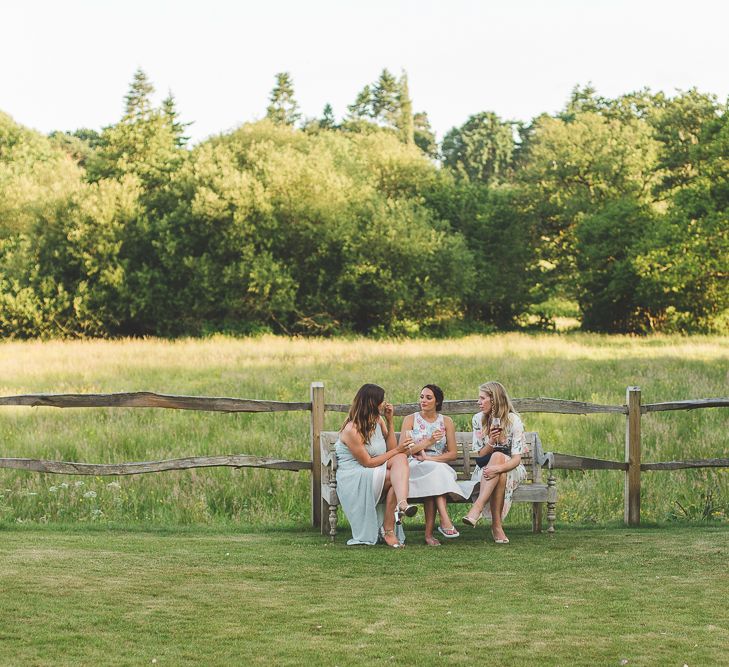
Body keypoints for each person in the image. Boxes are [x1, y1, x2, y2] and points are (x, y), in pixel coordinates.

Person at [335, 383, 418, 547]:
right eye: (381, 400)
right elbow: (367, 462)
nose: (384, 403)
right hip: (356, 475)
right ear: (372, 403)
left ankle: (401, 505)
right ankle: (389, 529)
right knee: (396, 476)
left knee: (400, 461)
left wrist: (390, 420)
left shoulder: (378, 420)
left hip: (375, 470)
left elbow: (392, 449)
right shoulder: (351, 429)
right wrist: (398, 451)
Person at [459, 381, 527, 544]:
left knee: (499, 462)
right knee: (497, 462)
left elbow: (516, 459)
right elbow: (481, 455)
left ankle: (477, 509)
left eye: (482, 398)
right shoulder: (478, 419)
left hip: (512, 468)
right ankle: (497, 526)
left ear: (494, 400)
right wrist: (491, 440)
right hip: (486, 468)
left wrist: (498, 467)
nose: (478, 402)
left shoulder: (513, 421)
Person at [400, 384, 467, 546]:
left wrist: (431, 460)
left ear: (437, 401)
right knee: (435, 476)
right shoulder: (410, 420)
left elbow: (452, 453)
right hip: (414, 465)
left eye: (428, 398)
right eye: (422, 397)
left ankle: (431, 533)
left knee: (435, 476)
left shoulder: (446, 422)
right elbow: (403, 450)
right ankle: (444, 521)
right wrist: (429, 441)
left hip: (436, 464)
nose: (423, 400)